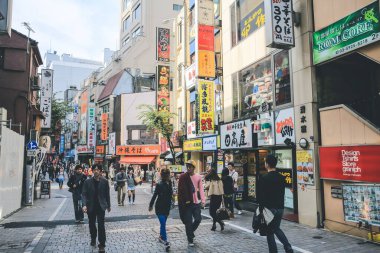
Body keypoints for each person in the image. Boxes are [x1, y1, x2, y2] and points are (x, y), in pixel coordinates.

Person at [257, 155, 293, 253]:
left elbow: (261, 196)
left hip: (269, 208)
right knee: (276, 228)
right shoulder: (281, 177)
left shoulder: (264, 178)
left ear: (267, 164)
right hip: (280, 207)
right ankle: (287, 247)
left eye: (265, 162)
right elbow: (282, 192)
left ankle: (273, 251)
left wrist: (260, 209)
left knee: (269, 231)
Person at [82, 164, 111, 252]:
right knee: (92, 224)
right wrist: (84, 205)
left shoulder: (105, 181)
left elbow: (107, 194)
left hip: (101, 206)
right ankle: (93, 238)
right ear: (92, 171)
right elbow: (84, 194)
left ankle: (102, 244)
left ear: (101, 171)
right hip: (91, 206)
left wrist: (108, 205)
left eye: (98, 169)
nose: (96, 171)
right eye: (94, 169)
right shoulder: (87, 182)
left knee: (101, 225)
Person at [178, 160, 205, 247]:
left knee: (198, 219)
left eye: (190, 167)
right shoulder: (183, 177)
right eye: (187, 167)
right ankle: (190, 239)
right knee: (188, 222)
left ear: (194, 168)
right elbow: (180, 190)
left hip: (196, 202)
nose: (188, 168)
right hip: (187, 203)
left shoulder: (198, 177)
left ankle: (190, 231)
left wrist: (203, 201)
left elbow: (201, 189)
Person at [149, 168, 173, 249]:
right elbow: (155, 195)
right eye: (165, 175)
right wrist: (151, 205)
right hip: (159, 207)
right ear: (162, 176)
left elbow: (171, 194)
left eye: (167, 175)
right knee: (163, 224)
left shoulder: (170, 183)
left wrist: (170, 183)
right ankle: (166, 241)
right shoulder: (159, 184)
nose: (166, 176)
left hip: (167, 207)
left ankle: (160, 237)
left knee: (163, 224)